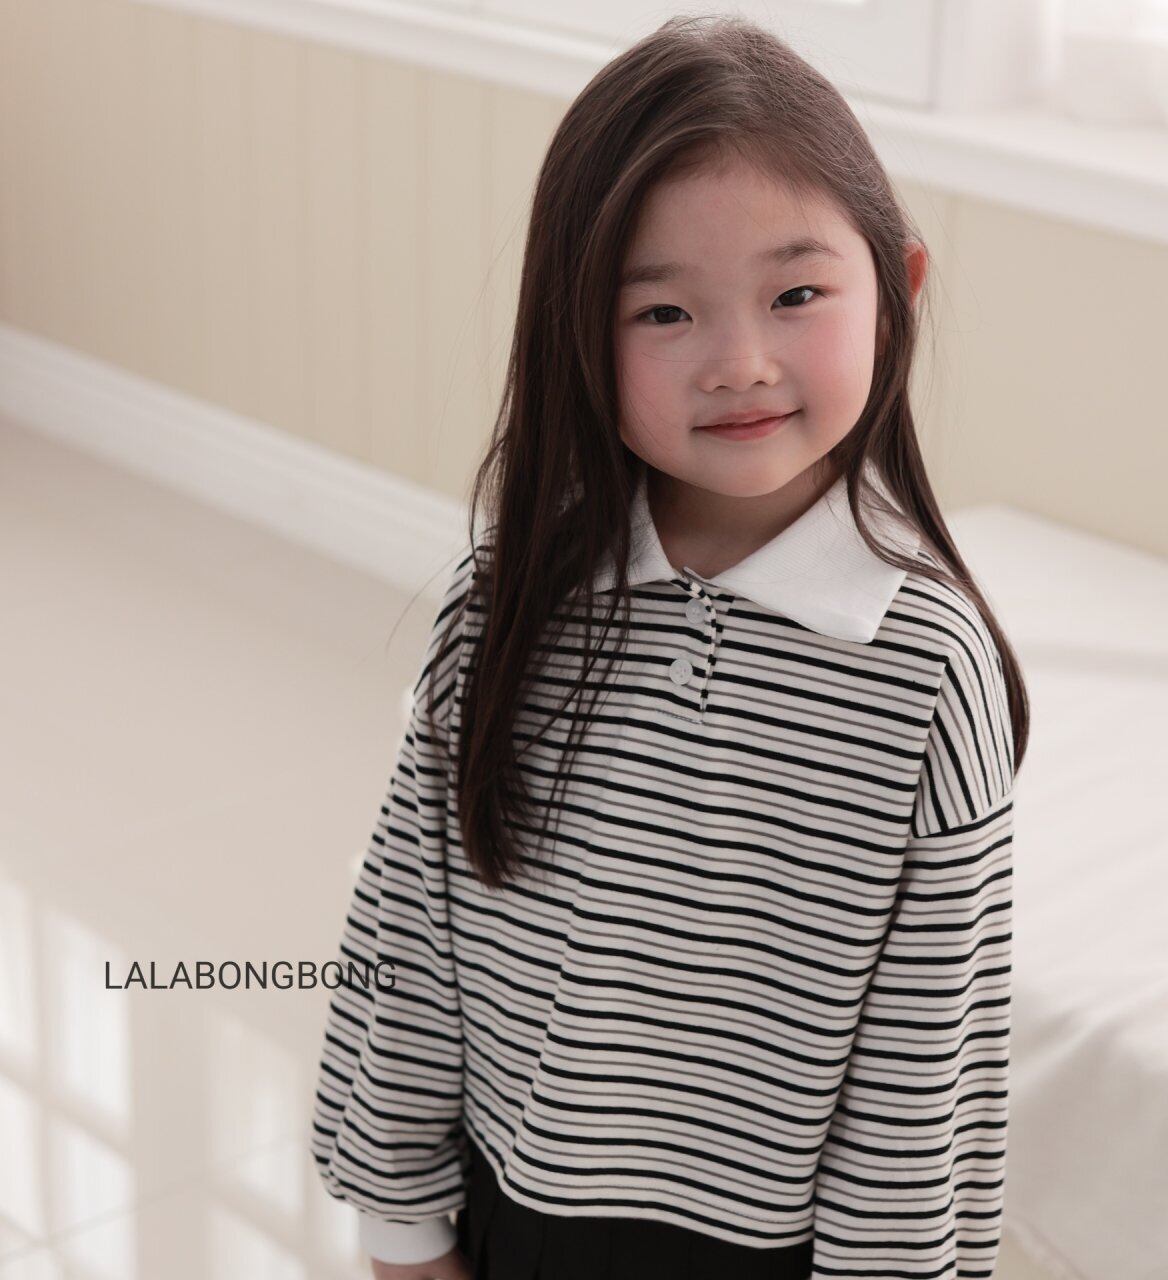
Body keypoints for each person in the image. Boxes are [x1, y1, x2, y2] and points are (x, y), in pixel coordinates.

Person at [309, 13, 1029, 1280]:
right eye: (662, 312)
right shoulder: (503, 604)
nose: (736, 363)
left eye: (795, 294)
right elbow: (409, 931)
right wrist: (398, 1222)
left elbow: (925, 1073)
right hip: (508, 1215)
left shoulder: (926, 671)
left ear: (895, 291)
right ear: (575, 332)